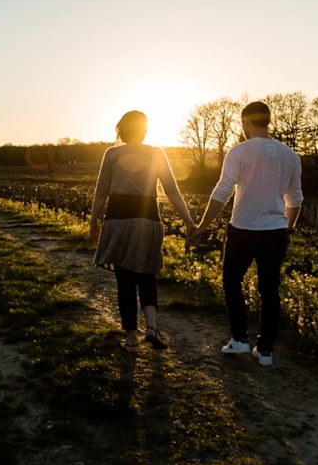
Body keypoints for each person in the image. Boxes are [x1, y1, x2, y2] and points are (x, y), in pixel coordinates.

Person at [190, 101, 303, 367]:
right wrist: (288, 227)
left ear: (245, 122)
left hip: (242, 230)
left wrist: (204, 225)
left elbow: (222, 191)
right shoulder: (290, 155)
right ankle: (265, 350)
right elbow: (295, 197)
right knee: (269, 290)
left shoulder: (239, 152)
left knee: (231, 282)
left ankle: (240, 339)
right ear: (268, 120)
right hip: (275, 231)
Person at [90, 110, 195, 353]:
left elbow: (101, 192)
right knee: (147, 274)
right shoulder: (156, 153)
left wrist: (93, 220)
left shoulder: (112, 154)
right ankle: (152, 328)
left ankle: (131, 339)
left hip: (118, 220)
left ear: (121, 130)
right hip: (148, 219)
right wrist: (189, 220)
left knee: (124, 279)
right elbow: (173, 191)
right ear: (144, 130)